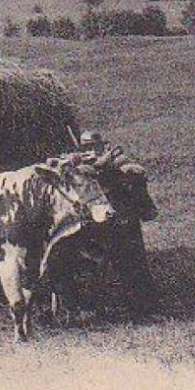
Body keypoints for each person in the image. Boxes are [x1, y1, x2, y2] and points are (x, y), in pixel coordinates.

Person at [74, 129, 159, 313]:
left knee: (133, 261)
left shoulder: (117, 161)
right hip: (98, 222)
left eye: (94, 146)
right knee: (96, 264)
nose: (90, 150)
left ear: (102, 145)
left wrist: (112, 165)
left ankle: (144, 303)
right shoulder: (80, 165)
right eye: (86, 146)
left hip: (123, 219)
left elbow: (137, 171)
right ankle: (96, 306)